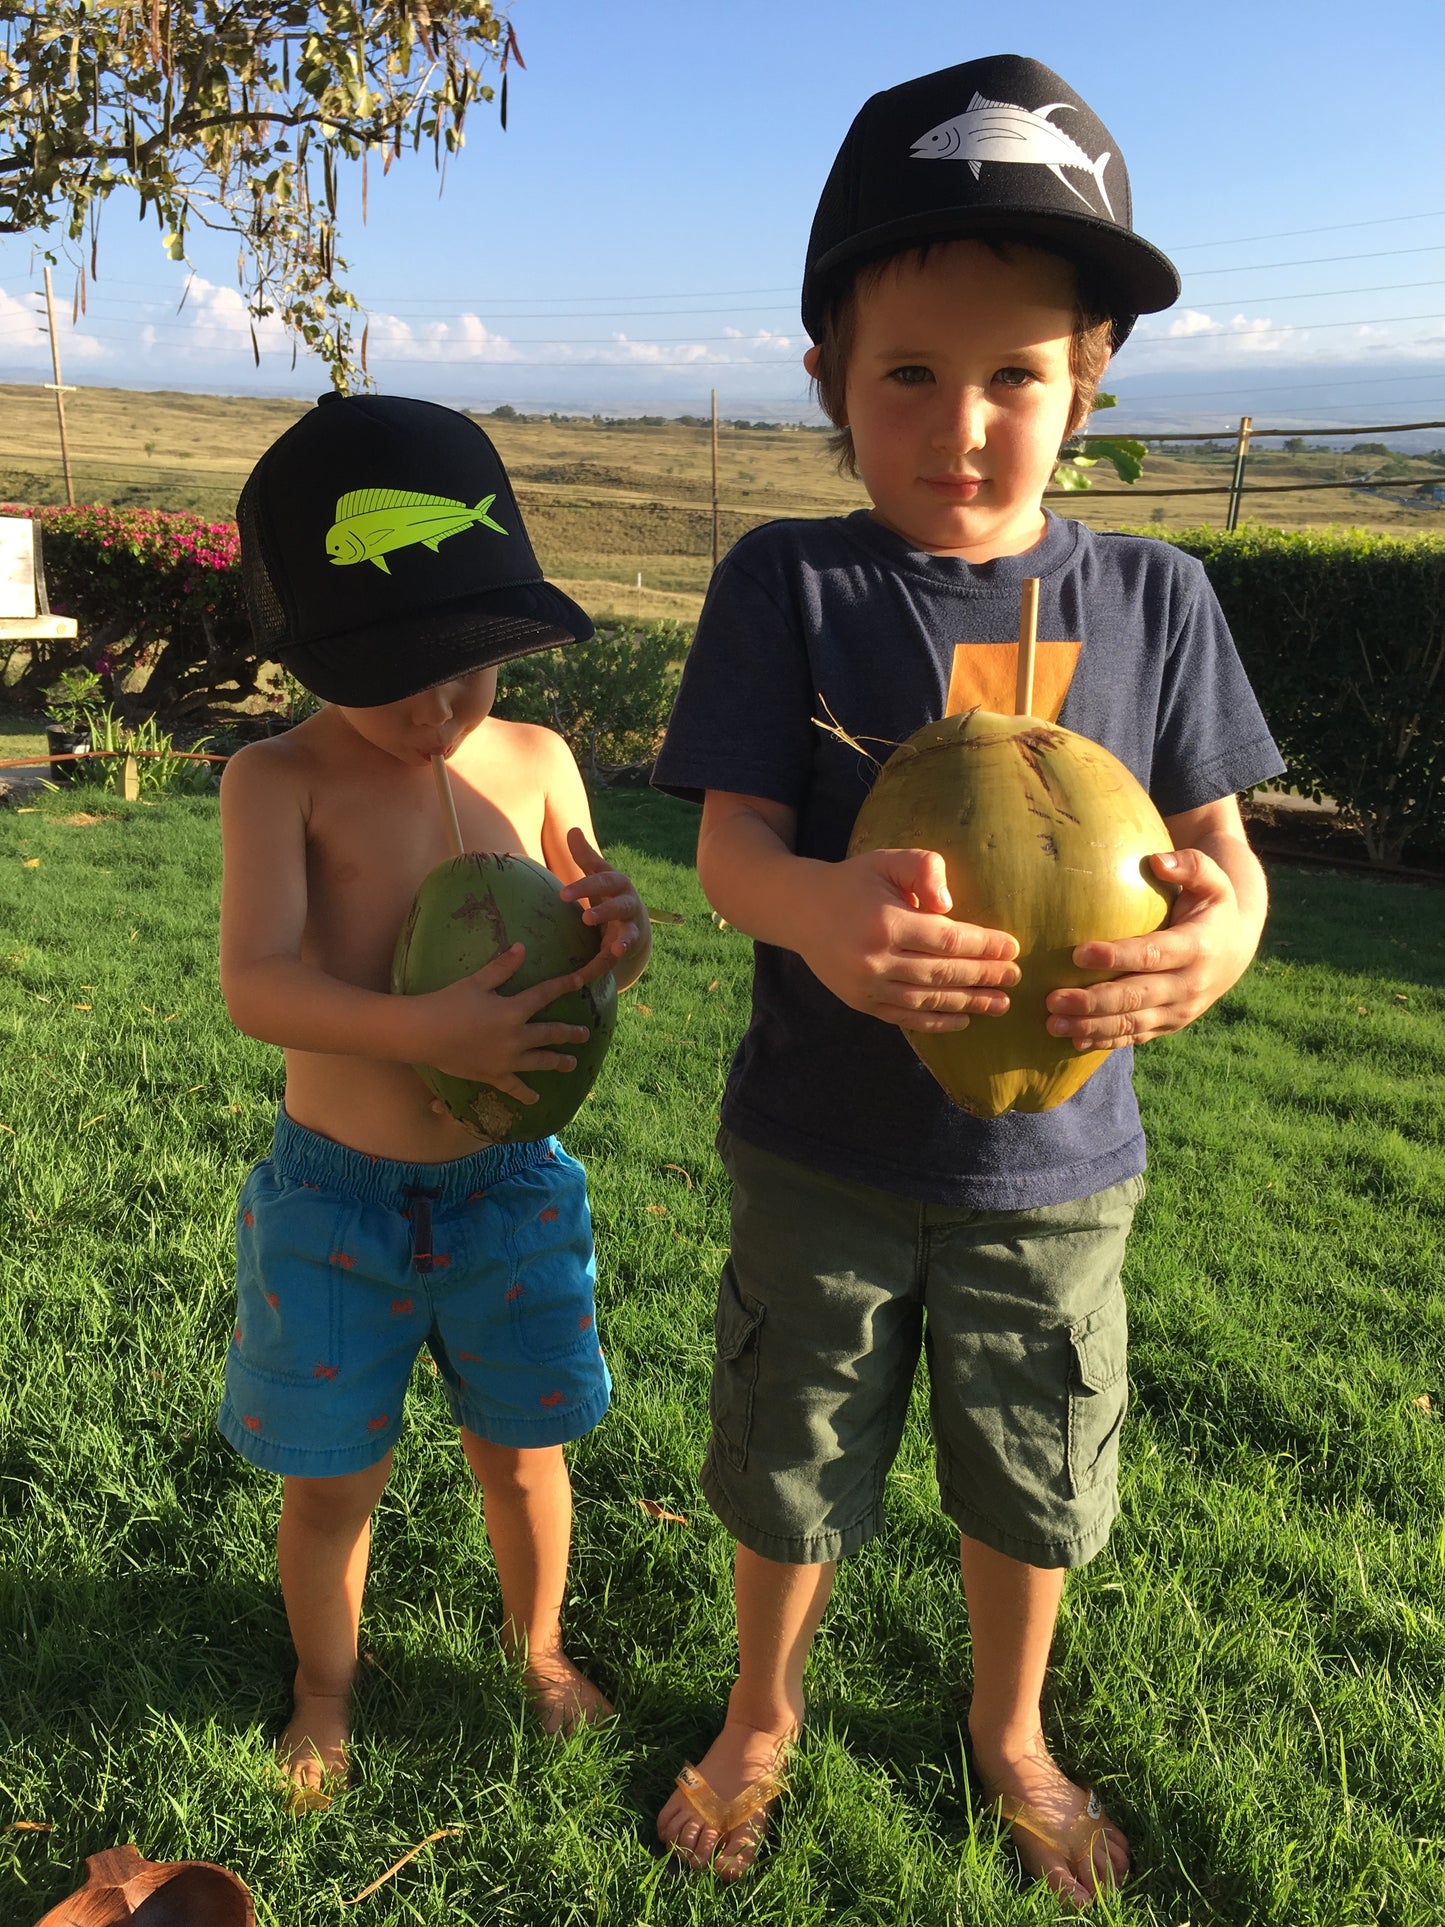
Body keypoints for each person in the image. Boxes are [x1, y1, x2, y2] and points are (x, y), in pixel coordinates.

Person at [651, 53, 1283, 1906]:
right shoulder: (790, 584)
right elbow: (730, 853)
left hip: (1054, 1171)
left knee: (1029, 1472)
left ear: (1086, 379)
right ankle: (762, 1706)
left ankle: (1012, 1727)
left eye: (1015, 374)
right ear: (830, 384)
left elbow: (1229, 869)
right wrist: (825, 916)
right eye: (907, 375)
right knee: (793, 1460)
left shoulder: (1158, 599)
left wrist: (1209, 951)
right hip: (820, 1152)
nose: (963, 424)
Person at [218, 394, 651, 1807]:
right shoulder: (278, 780)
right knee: (332, 1479)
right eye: (392, 670)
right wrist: (426, 1032)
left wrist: (615, 939)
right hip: (335, 1197)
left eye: (463, 662)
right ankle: (323, 1688)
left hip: (510, 1194)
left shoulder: (532, 761)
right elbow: (261, 987)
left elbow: (583, 940)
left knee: (523, 1455)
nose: (435, 703)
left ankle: (536, 1650)